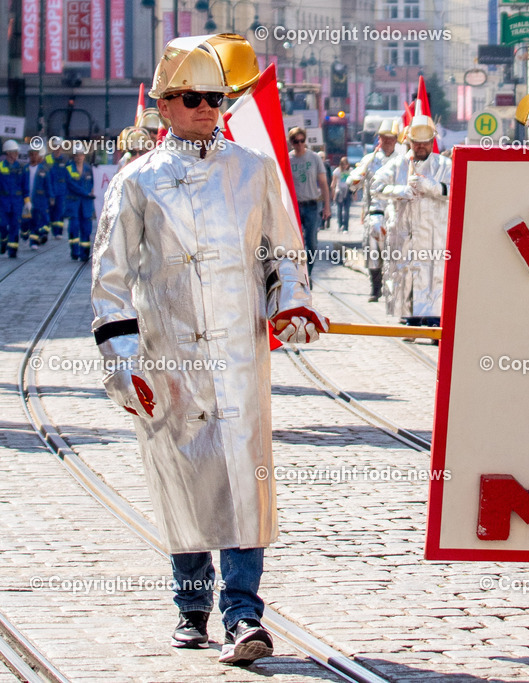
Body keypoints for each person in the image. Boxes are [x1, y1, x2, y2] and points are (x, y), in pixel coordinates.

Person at [91, 33, 328, 667]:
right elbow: (110, 278)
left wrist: (293, 304)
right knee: (185, 478)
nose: (205, 109)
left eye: (215, 98)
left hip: (240, 359)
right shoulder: (136, 183)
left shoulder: (253, 169)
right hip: (168, 358)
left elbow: (283, 249)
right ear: (164, 106)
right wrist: (123, 362)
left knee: (245, 482)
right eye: (192, 98)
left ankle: (244, 613)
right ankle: (191, 606)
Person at [371, 113, 451, 325]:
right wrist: (400, 190)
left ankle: (434, 319)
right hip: (405, 233)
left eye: (425, 142)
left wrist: (433, 187)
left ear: (432, 142)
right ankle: (410, 317)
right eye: (417, 143)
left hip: (435, 233)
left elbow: (458, 189)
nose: (421, 147)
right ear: (410, 142)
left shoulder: (445, 165)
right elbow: (375, 186)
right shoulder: (398, 165)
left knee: (435, 276)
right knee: (406, 273)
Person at [348, 119, 402, 302]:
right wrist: (356, 178)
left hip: (396, 214)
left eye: (391, 138)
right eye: (384, 137)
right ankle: (375, 288)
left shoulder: (402, 160)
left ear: (396, 139)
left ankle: (391, 290)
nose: (387, 141)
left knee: (394, 255)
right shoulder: (369, 160)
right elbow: (353, 183)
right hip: (374, 213)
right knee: (373, 254)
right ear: (378, 138)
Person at [287, 126, 330, 274]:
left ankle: (308, 273)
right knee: (296, 243)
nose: (299, 144)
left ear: (305, 141)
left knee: (311, 243)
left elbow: (324, 183)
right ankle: (299, 273)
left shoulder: (314, 158)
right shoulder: (288, 159)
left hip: (312, 205)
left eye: (301, 141)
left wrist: (327, 206)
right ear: (291, 142)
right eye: (295, 141)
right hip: (295, 207)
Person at [65, 142, 95, 261]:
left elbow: (94, 182)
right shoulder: (68, 168)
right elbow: (71, 184)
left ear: (84, 156)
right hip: (74, 203)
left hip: (86, 204)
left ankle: (85, 252)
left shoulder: (89, 168)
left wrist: (92, 191)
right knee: (74, 226)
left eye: (81, 155)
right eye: (77, 155)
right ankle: (74, 250)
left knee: (86, 227)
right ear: (73, 156)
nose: (79, 157)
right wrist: (85, 192)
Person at [0, 140, 28, 258]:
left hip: (17, 201)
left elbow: (25, 185)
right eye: (14, 152)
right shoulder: (1, 166)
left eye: (16, 152)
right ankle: (3, 239)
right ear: (8, 153)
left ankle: (12, 250)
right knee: (2, 224)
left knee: (15, 225)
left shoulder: (21, 168)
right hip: (3, 201)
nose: (16, 154)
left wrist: (27, 201)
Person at [25, 148, 52, 249]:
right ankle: (29, 236)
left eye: (35, 155)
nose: (34, 157)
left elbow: (48, 184)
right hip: (26, 199)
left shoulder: (43, 170)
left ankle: (34, 241)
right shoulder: (25, 169)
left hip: (39, 199)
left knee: (37, 219)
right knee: (27, 221)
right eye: (31, 155)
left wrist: (51, 197)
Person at [45, 137, 70, 238]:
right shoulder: (48, 159)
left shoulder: (65, 159)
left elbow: (69, 174)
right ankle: (51, 229)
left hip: (61, 189)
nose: (58, 148)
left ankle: (58, 232)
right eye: (56, 146)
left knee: (60, 210)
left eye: (59, 147)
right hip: (50, 187)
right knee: (51, 210)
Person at [331, 156, 352, 232]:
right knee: (339, 209)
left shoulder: (351, 171)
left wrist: (354, 193)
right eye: (343, 164)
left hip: (348, 191)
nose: (344, 166)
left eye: (346, 164)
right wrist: (333, 193)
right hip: (339, 191)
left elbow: (353, 183)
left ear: (348, 164)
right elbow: (333, 182)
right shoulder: (337, 171)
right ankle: (340, 225)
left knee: (346, 210)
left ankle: (346, 227)